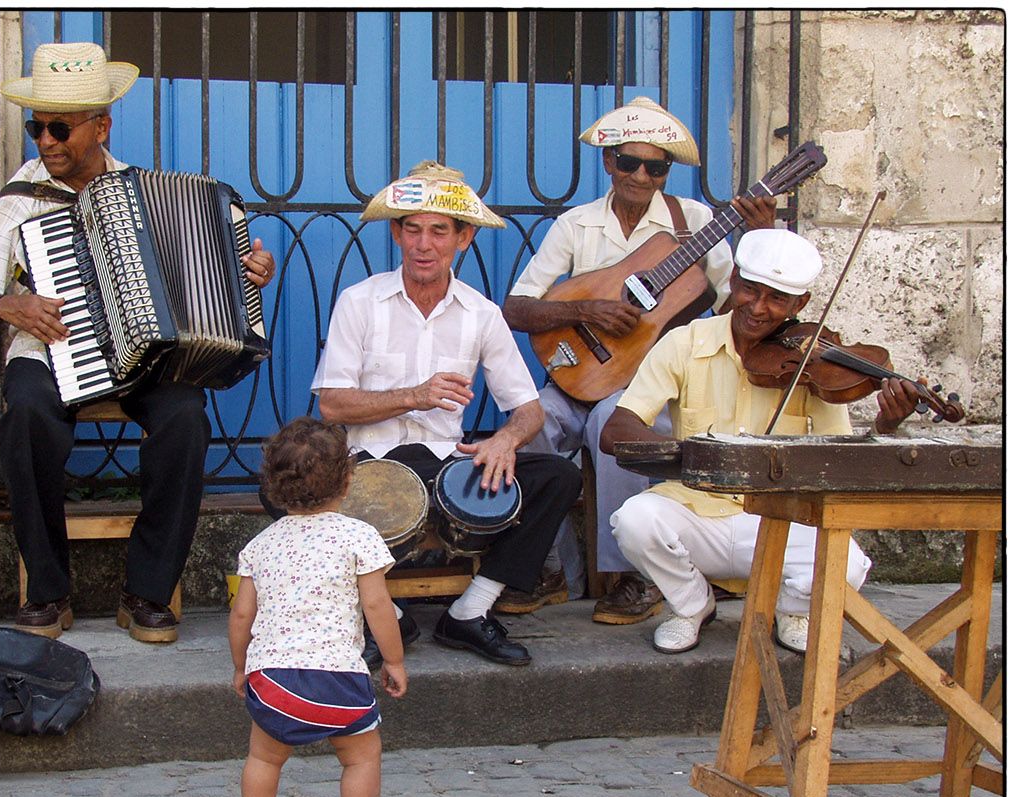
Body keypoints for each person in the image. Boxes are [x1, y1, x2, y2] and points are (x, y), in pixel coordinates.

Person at [0, 42, 276, 642]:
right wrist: (6, 305)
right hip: (48, 352)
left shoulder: (145, 194)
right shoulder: (19, 202)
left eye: (61, 128)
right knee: (26, 417)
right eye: (37, 127)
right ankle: (47, 592)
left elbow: (207, 267)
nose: (46, 141)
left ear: (101, 127)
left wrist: (245, 268)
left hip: (145, 356)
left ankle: (146, 593)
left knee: (185, 419)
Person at [502, 96, 777, 623]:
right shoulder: (576, 225)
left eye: (655, 166)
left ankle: (633, 576)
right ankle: (548, 567)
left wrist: (759, 238)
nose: (641, 175)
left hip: (647, 387)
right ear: (609, 162)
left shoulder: (695, 223)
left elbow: (733, 304)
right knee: (528, 426)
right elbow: (517, 307)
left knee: (615, 425)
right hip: (576, 377)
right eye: (629, 162)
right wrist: (589, 309)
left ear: (666, 171)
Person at [599, 229, 923, 654]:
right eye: (750, 291)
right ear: (733, 280)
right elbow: (616, 429)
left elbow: (843, 456)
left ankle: (791, 610)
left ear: (800, 305)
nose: (758, 308)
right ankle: (692, 605)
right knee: (635, 520)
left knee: (850, 565)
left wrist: (885, 426)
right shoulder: (684, 342)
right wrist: (699, 456)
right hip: (698, 513)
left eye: (777, 300)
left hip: (779, 519)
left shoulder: (812, 364)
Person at [313, 161, 582, 666]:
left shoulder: (481, 314)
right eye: (412, 229)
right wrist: (413, 395)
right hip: (368, 464)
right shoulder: (360, 302)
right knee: (285, 484)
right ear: (396, 233)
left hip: (445, 464)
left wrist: (504, 441)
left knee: (558, 477)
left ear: (464, 239)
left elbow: (527, 409)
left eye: (439, 231)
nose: (423, 244)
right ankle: (386, 616)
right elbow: (332, 403)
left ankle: (469, 612)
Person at [229, 417, 406, 797]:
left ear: (272, 486)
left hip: (271, 681)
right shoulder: (358, 537)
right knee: (361, 757)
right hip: (337, 680)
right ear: (348, 480)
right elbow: (377, 605)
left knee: (264, 756)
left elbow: (242, 616)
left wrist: (240, 669)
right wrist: (394, 659)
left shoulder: (260, 545)